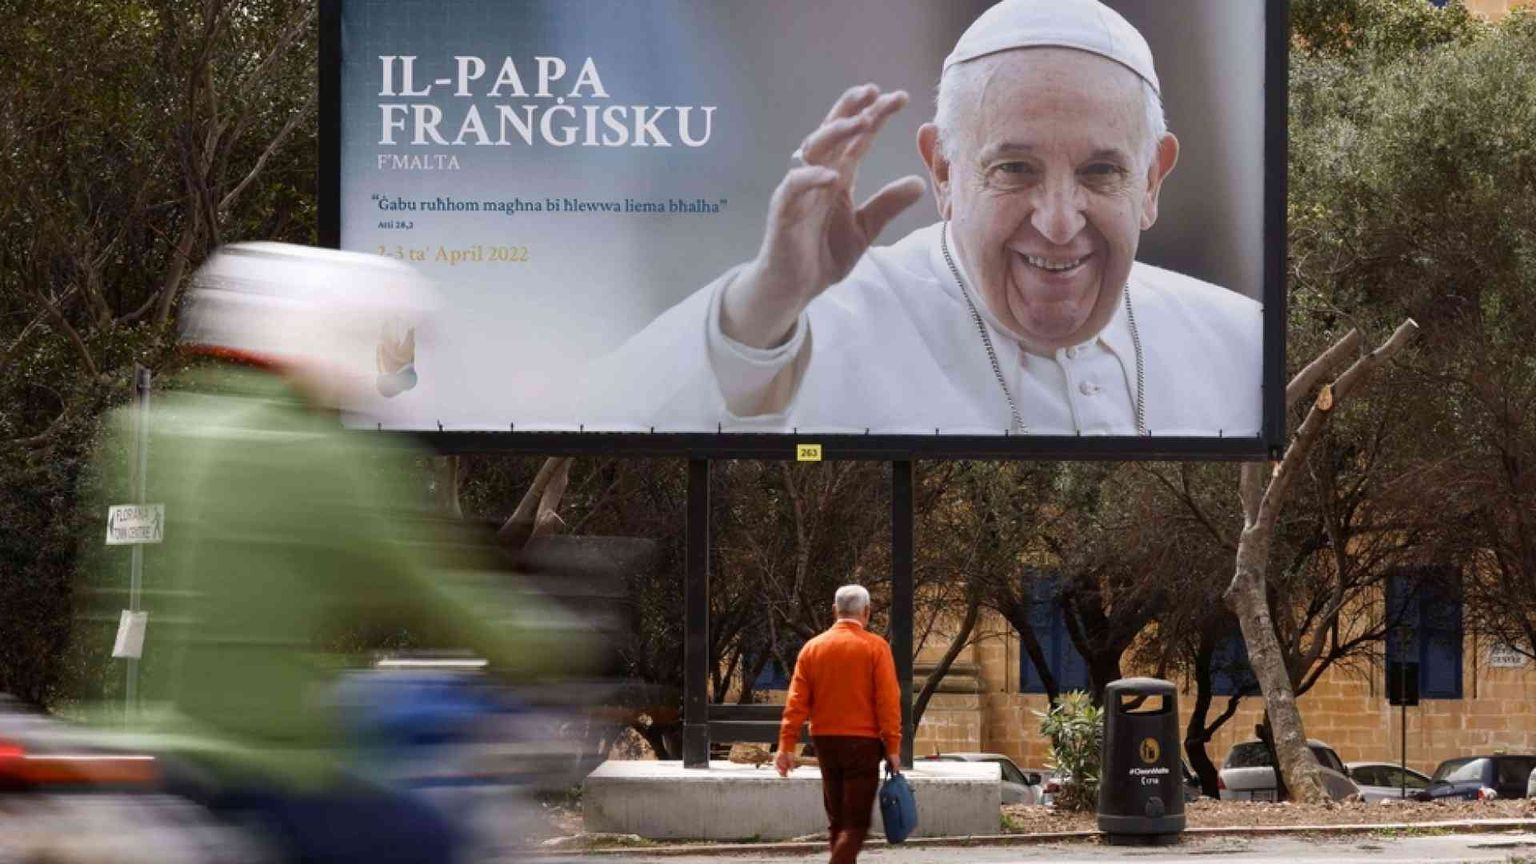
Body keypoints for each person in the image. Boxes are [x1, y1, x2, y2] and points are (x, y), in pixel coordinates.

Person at [80, 244, 576, 863]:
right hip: (259, 764)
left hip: (141, 751)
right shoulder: (317, 456)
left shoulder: (152, 432)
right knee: (433, 840)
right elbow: (429, 590)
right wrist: (552, 647)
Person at [583, 0, 1260, 437]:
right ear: (943, 170)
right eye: (1014, 169)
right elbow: (595, 427)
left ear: (1151, 179)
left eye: (1101, 172)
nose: (1058, 223)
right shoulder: (809, 322)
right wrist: (767, 300)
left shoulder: (1245, 346)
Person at [775, 585, 902, 864]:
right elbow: (888, 702)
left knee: (838, 821)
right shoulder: (876, 648)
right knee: (855, 824)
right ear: (866, 612)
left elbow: (796, 701)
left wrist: (786, 744)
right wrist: (892, 746)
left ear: (835, 611)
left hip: (825, 741)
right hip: (863, 744)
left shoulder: (813, 648)